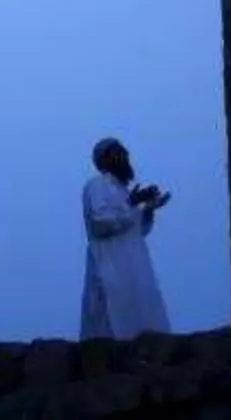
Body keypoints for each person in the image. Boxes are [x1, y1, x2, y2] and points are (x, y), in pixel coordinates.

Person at [79, 137, 173, 340]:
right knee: (111, 319)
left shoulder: (122, 191)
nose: (126, 155)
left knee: (141, 313)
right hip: (109, 265)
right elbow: (100, 223)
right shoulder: (96, 185)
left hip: (134, 265)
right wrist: (132, 202)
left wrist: (147, 209)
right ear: (105, 159)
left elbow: (138, 231)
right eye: (119, 151)